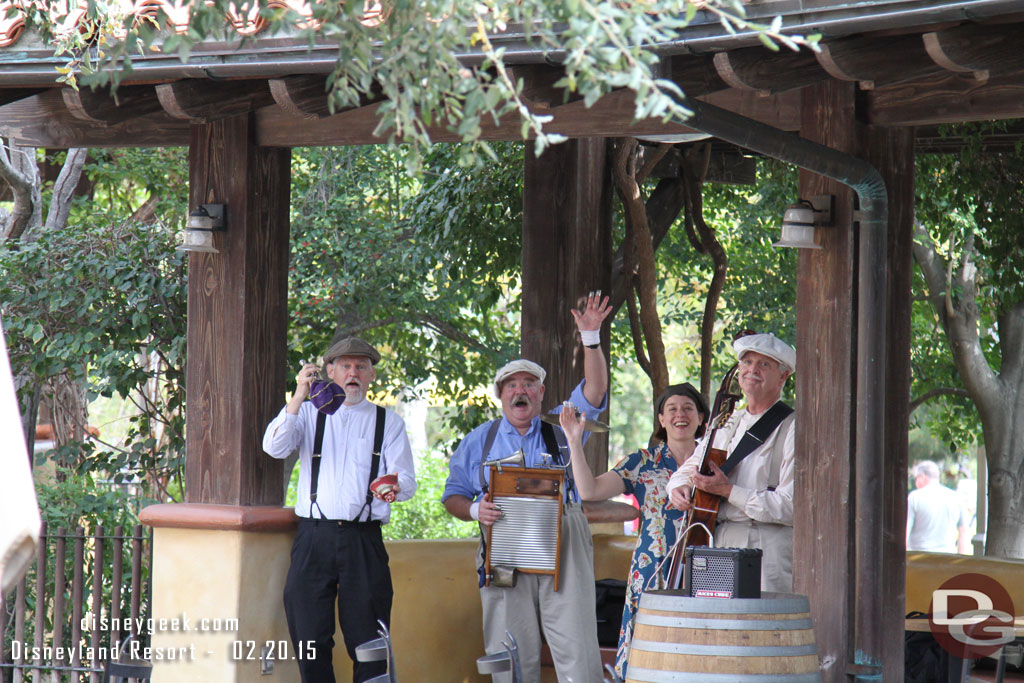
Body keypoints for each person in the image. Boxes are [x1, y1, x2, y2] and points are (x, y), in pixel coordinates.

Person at [442, 292, 611, 683]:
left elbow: (596, 390)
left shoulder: (562, 426)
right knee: (508, 649)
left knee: (577, 645)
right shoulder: (478, 441)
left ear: (541, 394)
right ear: (501, 395)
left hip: (563, 543)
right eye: (511, 385)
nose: (520, 390)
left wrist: (590, 337)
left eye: (529, 384)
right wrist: (472, 511)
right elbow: (452, 494)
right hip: (503, 544)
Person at [262, 337, 416, 683]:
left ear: (371, 374)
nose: (353, 373)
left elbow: (406, 480)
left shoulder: (387, 422)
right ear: (329, 372)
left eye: (361, 366)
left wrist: (393, 485)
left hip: (364, 541)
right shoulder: (307, 414)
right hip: (314, 538)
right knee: (309, 637)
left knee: (370, 641)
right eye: (345, 366)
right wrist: (298, 395)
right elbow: (273, 447)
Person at [561, 382, 708, 679]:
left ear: (702, 418)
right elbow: (589, 491)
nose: (680, 414)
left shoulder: (715, 461)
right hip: (651, 567)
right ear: (661, 419)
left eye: (688, 408)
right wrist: (574, 441)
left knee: (700, 643)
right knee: (647, 646)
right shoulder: (641, 462)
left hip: (705, 566)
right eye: (672, 409)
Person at [666, 332, 797, 593]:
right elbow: (689, 468)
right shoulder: (727, 422)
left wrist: (728, 491)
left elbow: (791, 508)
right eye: (747, 362)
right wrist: (677, 488)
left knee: (759, 631)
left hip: (765, 549)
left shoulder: (794, 427)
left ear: (783, 376)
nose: (752, 370)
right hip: (716, 541)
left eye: (764, 364)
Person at [906, 460, 970, 553]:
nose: (915, 483)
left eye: (916, 478)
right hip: (947, 558)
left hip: (919, 558)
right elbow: (963, 531)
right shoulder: (956, 498)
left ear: (922, 477)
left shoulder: (914, 498)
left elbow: (904, 531)